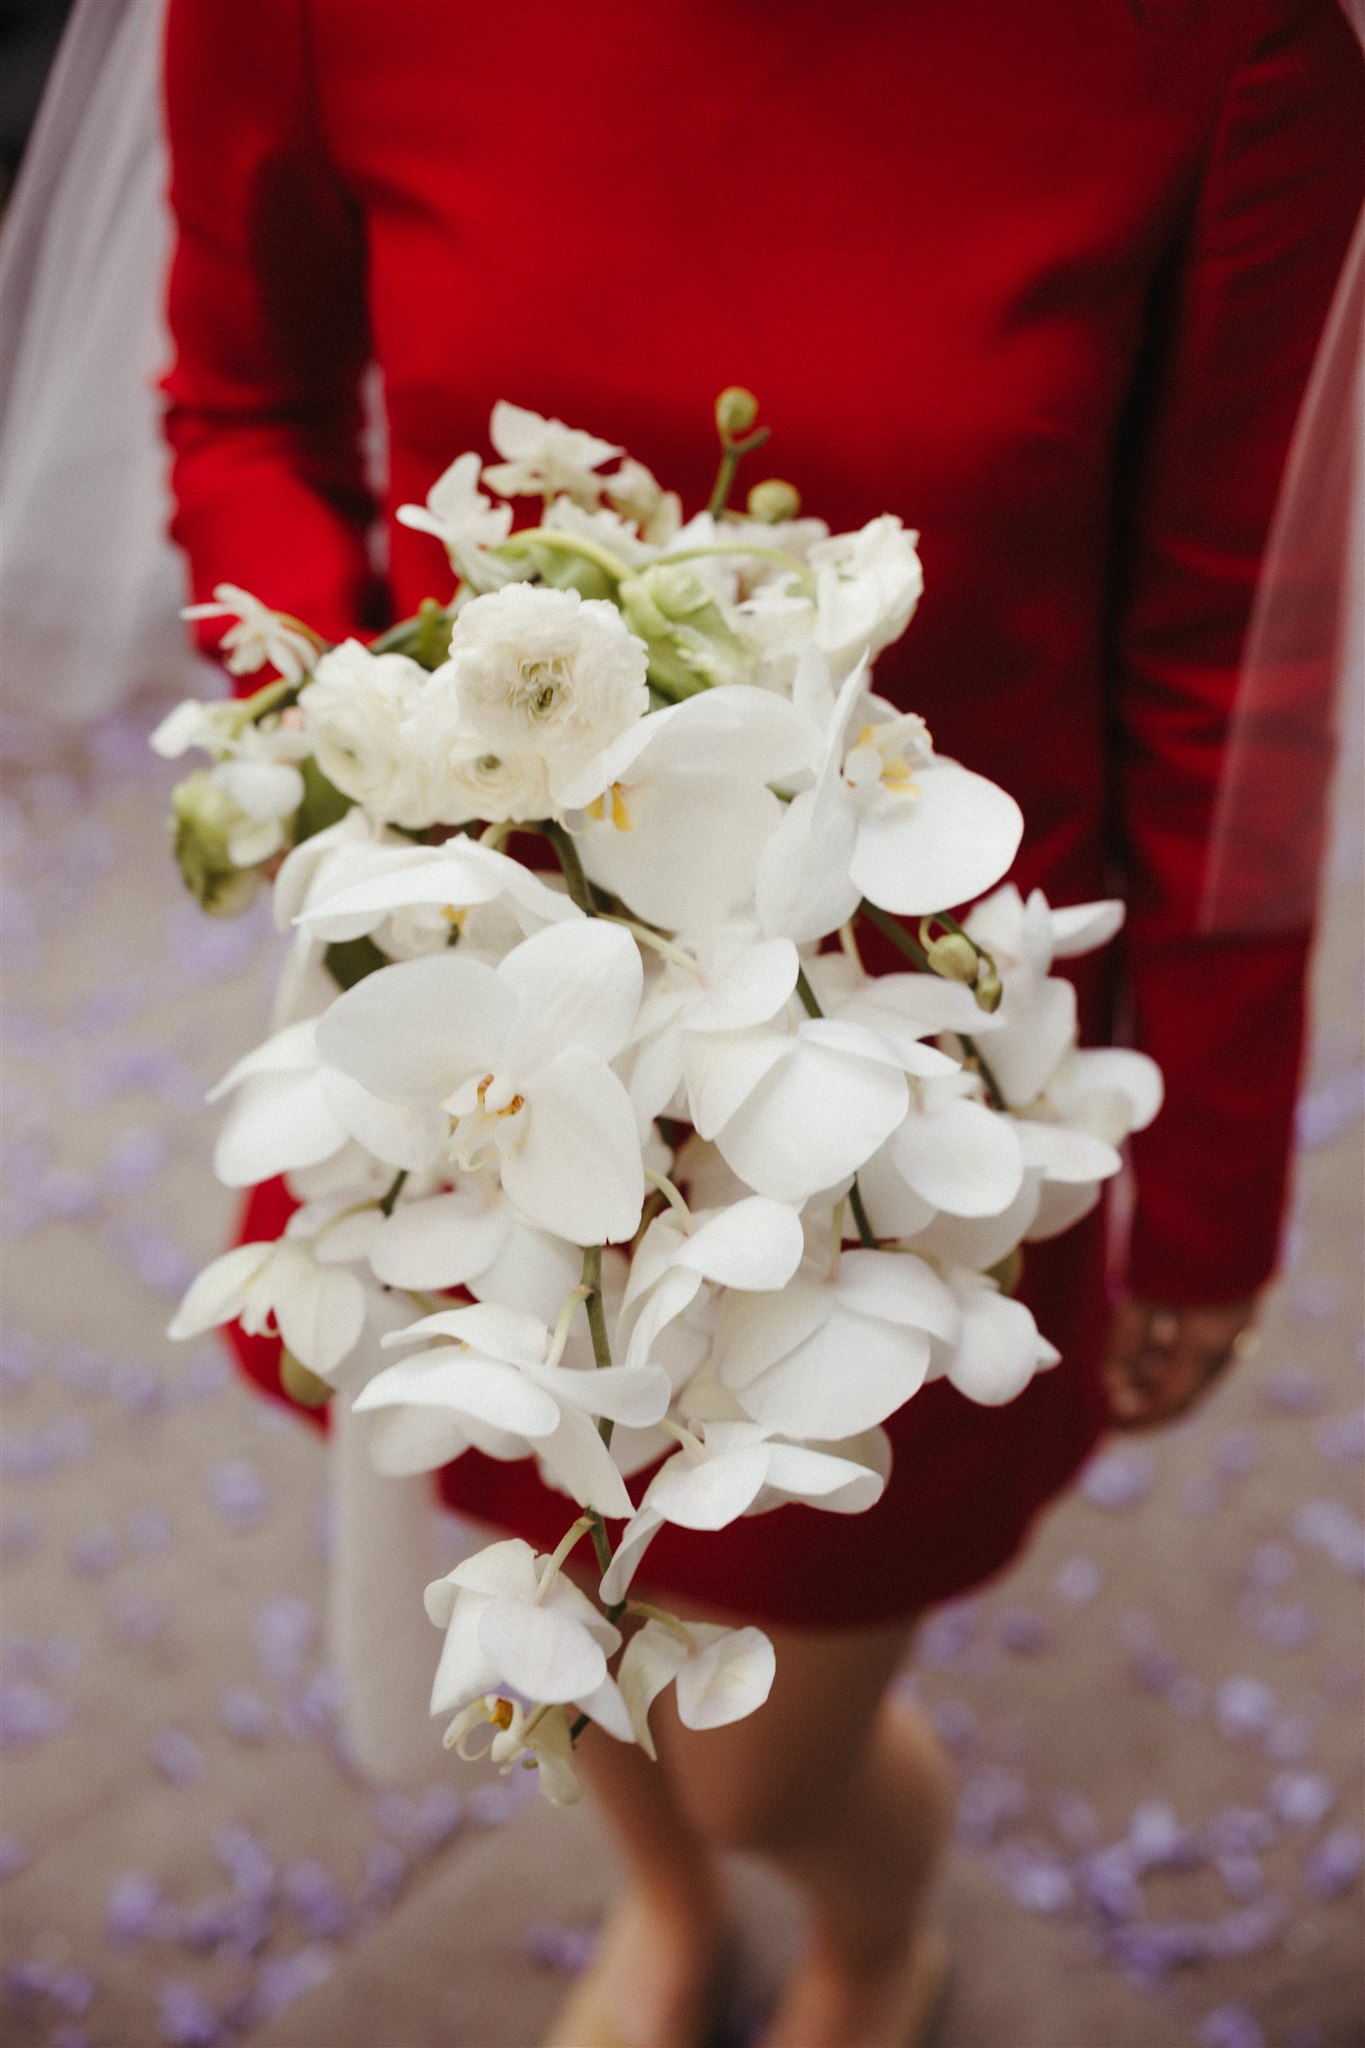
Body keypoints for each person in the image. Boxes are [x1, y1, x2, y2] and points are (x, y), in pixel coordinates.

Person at [159, 5, 1364, 2044]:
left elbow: (1223, 647)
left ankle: (861, 1929)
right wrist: (376, 730)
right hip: (483, 1051)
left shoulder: (1217, 49)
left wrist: (1215, 1161)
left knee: (766, 1743)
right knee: (546, 1585)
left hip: (900, 1084)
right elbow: (243, 415)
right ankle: (658, 1898)